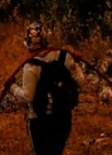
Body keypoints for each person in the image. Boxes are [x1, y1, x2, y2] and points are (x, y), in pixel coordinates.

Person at [10, 22, 82, 155]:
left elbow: (27, 96)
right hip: (63, 118)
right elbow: (80, 80)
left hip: (40, 122)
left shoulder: (31, 66)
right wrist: (77, 63)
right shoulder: (64, 56)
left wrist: (12, 87)